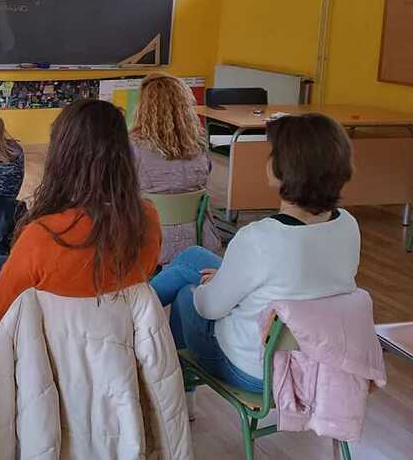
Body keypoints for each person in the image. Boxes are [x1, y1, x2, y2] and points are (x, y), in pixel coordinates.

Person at [150, 113, 359, 392]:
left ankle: (170, 383)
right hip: (315, 358)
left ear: (285, 168)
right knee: (194, 257)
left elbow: (208, 307)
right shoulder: (348, 224)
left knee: (187, 294)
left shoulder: (260, 237)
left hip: (258, 370)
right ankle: (129, 311)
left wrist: (209, 287)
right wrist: (228, 283)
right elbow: (293, 284)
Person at [0, 98, 162, 346]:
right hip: (116, 342)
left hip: (50, 351)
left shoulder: (44, 235)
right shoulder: (148, 219)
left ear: (61, 156)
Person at [129, 72, 217, 263]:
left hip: (147, 242)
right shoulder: (199, 147)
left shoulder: (131, 147)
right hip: (197, 241)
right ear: (184, 108)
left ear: (143, 108)